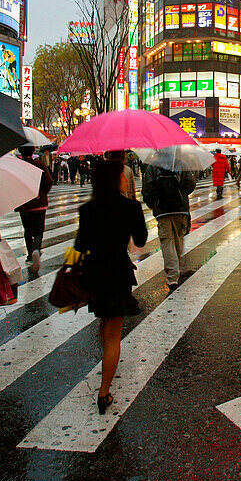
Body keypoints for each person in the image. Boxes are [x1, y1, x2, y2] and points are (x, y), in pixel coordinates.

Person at [74, 160, 149, 412]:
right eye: (123, 175)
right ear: (116, 179)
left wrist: (71, 272)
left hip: (94, 273)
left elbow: (79, 247)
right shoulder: (130, 207)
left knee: (105, 324)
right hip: (118, 271)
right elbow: (140, 239)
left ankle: (105, 361)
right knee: (114, 336)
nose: (126, 178)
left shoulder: (88, 209)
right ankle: (104, 392)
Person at [142, 163, 197, 291]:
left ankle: (172, 277)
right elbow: (190, 184)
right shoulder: (180, 163)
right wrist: (180, 194)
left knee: (167, 241)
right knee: (178, 239)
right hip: (180, 209)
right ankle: (177, 269)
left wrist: (155, 204)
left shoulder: (153, 166)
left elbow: (147, 189)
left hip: (162, 210)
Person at [16, 145, 53, 275]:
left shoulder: (18, 167)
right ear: (33, 152)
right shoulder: (40, 165)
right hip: (39, 202)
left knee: (27, 229)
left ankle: (30, 255)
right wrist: (42, 193)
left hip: (24, 203)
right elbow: (48, 182)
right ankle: (36, 249)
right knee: (38, 230)